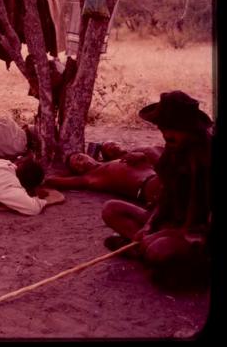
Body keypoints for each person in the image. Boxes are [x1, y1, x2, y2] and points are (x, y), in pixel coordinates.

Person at [101, 91, 212, 287]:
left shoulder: (207, 156)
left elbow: (201, 224)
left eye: (171, 128)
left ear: (188, 128)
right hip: (171, 222)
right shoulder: (173, 149)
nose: (164, 133)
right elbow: (166, 196)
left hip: (198, 234)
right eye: (162, 127)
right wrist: (149, 227)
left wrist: (166, 235)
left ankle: (154, 255)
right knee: (111, 210)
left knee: (157, 249)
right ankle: (149, 252)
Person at [43, 150, 162, 207]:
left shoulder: (110, 161)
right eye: (77, 167)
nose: (82, 163)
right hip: (148, 187)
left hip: (158, 177)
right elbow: (52, 180)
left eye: (80, 158)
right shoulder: (90, 177)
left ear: (87, 154)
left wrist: (141, 157)